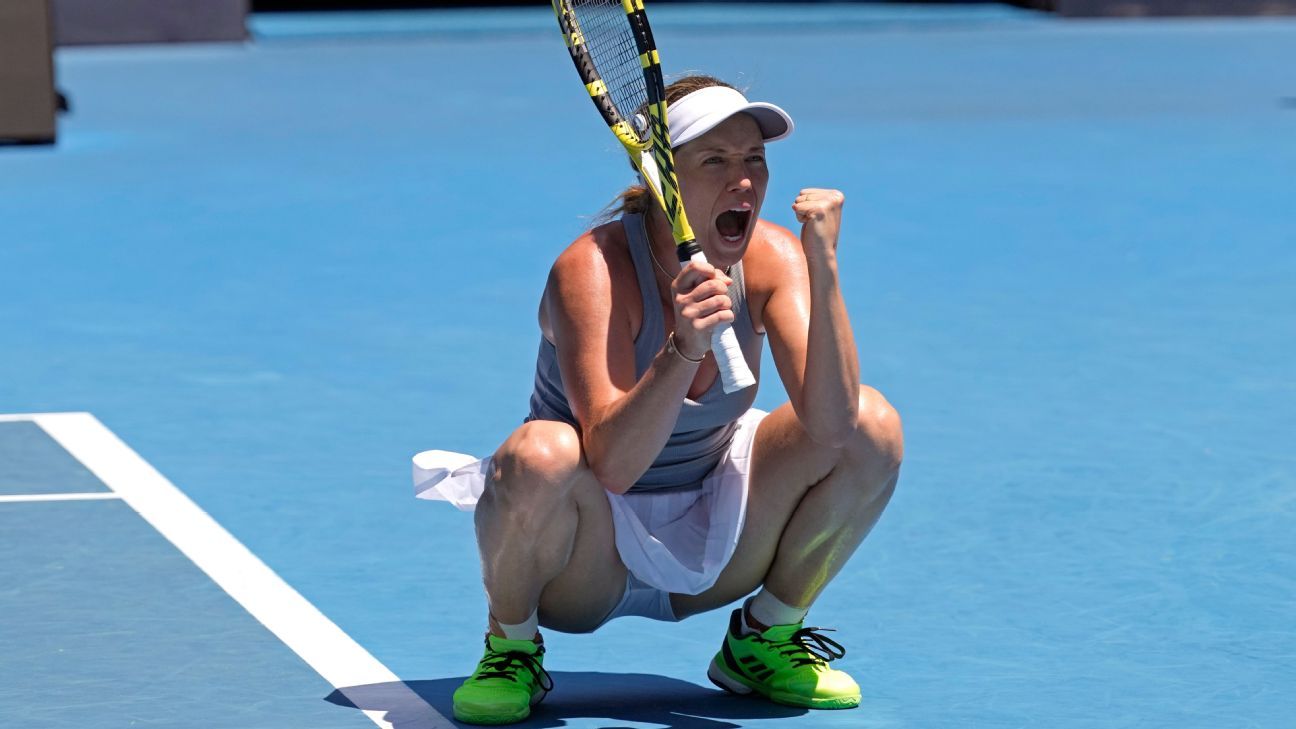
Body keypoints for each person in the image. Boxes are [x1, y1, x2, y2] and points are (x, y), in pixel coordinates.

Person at [412, 75, 903, 726]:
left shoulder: (772, 258)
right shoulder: (590, 269)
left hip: (721, 534)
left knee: (873, 422)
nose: (745, 181)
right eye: (716, 160)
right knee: (540, 451)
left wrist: (824, 266)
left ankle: (765, 637)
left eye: (755, 158)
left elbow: (834, 427)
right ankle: (512, 647)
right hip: (583, 555)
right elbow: (614, 465)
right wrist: (683, 349)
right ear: (659, 178)